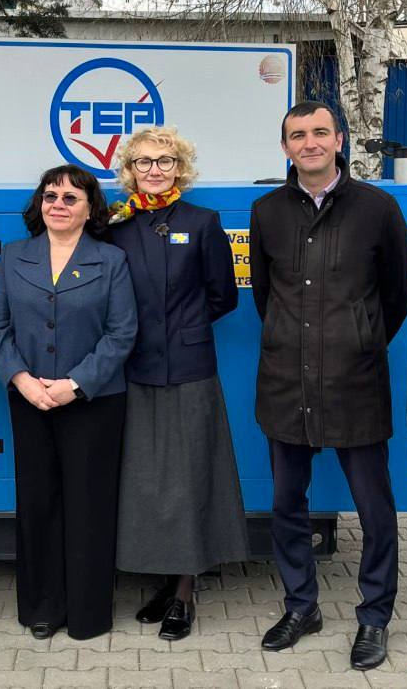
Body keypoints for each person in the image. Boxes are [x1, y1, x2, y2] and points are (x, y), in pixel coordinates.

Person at [248, 101, 407, 670]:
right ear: (285, 147)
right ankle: (301, 606)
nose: (310, 142)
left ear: (340, 140)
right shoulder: (267, 210)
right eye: (298, 135)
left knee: (375, 509)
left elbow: (396, 296)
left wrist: (359, 340)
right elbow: (265, 295)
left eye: (320, 132)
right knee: (286, 504)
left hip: (354, 383)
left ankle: (375, 617)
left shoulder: (377, 207)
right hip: (285, 384)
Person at [0, 164, 137, 641]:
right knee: (38, 502)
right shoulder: (15, 256)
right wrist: (23, 380)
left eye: (71, 198)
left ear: (90, 209)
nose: (59, 205)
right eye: (51, 196)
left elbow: (122, 333)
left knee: (90, 505)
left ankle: (89, 613)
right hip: (30, 400)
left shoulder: (111, 260)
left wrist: (75, 383)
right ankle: (42, 607)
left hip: (93, 401)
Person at [108, 126, 247, 641]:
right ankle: (165, 582)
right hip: (134, 368)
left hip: (190, 369)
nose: (155, 170)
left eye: (165, 161)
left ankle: (185, 594)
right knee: (147, 480)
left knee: (189, 479)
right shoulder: (116, 225)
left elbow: (224, 296)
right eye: (144, 162)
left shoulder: (201, 222)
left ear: (180, 169)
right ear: (130, 170)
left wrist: (181, 329)